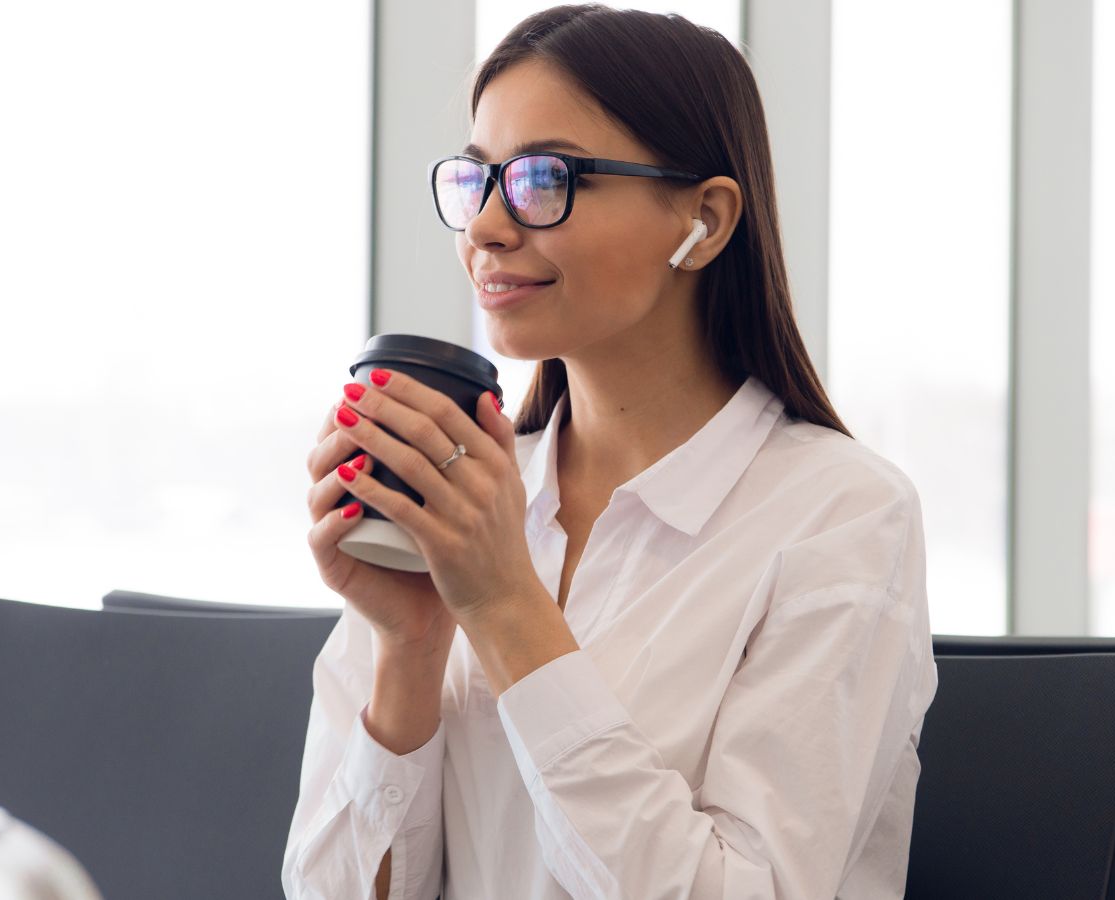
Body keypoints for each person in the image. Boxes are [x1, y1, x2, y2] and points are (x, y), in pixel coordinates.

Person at [282, 5, 937, 898]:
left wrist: (506, 603)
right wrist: (410, 644)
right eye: (479, 182)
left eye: (545, 178)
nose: (486, 229)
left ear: (703, 220)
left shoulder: (842, 517)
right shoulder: (466, 498)